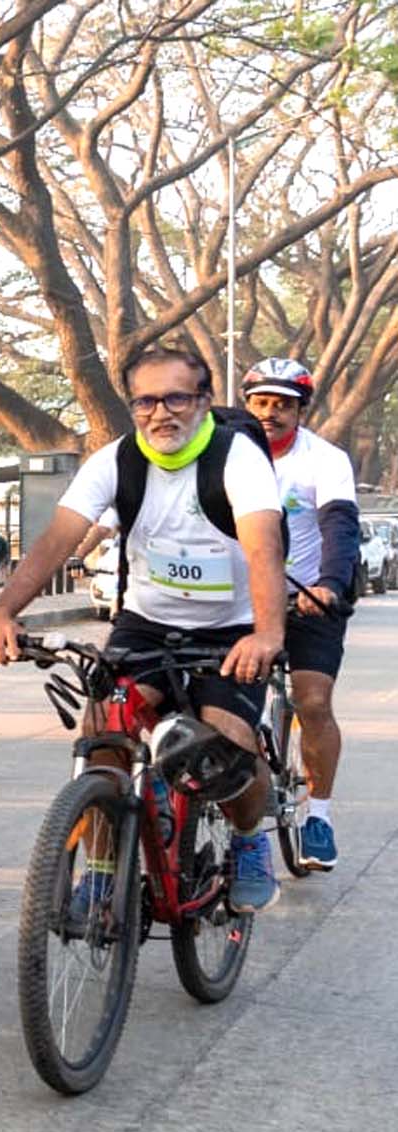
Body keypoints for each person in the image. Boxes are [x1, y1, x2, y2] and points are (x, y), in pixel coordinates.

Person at [0, 345, 286, 913]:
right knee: (102, 735)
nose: (160, 412)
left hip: (230, 631)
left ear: (202, 400)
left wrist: (267, 633)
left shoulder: (237, 459)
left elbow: (263, 549)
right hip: (145, 624)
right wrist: (3, 611)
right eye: (145, 400)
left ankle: (248, 841)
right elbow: (57, 539)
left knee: (225, 750)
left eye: (176, 397)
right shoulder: (115, 461)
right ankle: (99, 872)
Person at [244, 356, 357, 871]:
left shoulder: (324, 460)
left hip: (309, 597)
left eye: (283, 405)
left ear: (301, 411)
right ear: (247, 405)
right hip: (242, 600)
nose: (271, 413)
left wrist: (328, 585)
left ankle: (320, 814)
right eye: (262, 402)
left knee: (311, 702)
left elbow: (340, 527)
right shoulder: (230, 456)